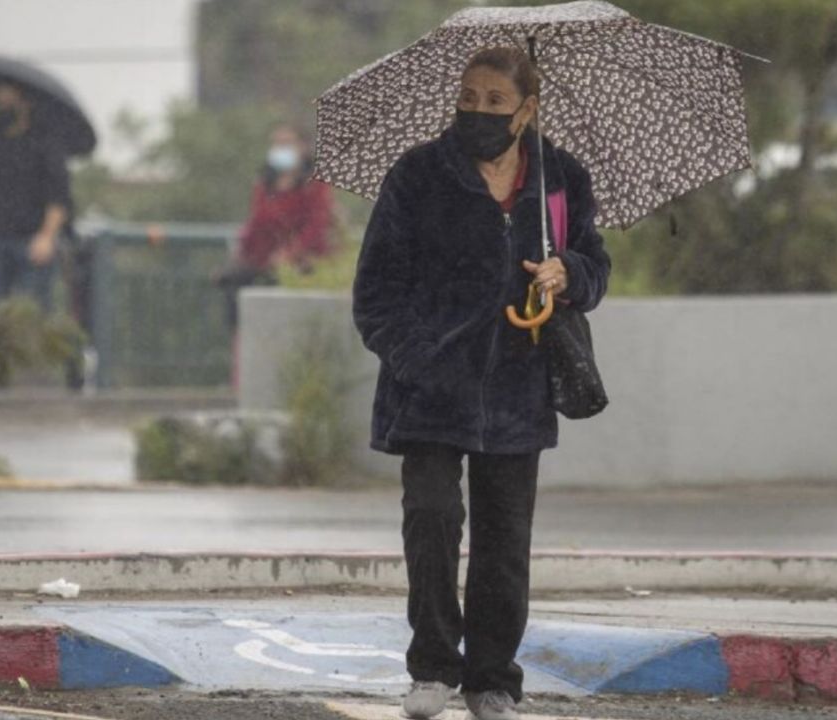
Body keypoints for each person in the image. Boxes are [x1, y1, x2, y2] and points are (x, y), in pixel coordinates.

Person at [351, 48, 610, 720]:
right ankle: (433, 667)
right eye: (469, 97)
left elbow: (595, 265)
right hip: (430, 390)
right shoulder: (417, 175)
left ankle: (493, 678)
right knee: (432, 521)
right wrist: (421, 362)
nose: (478, 111)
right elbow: (375, 294)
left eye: (496, 101)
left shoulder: (560, 180)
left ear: (527, 110)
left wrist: (569, 275)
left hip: (520, 389)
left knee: (503, 542)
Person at [217, 123, 335, 331]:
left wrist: (291, 253)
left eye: (287, 143)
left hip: (303, 262)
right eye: (277, 144)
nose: (280, 149)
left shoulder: (314, 185)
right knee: (232, 284)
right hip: (265, 259)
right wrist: (242, 251)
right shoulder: (265, 183)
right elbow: (256, 223)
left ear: (303, 147)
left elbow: (318, 225)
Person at [0, 81, 74, 321]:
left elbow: (59, 197)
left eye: (6, 95)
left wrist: (47, 236)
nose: (0, 102)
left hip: (32, 241)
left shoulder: (46, 143)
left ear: (24, 102)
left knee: (29, 315)